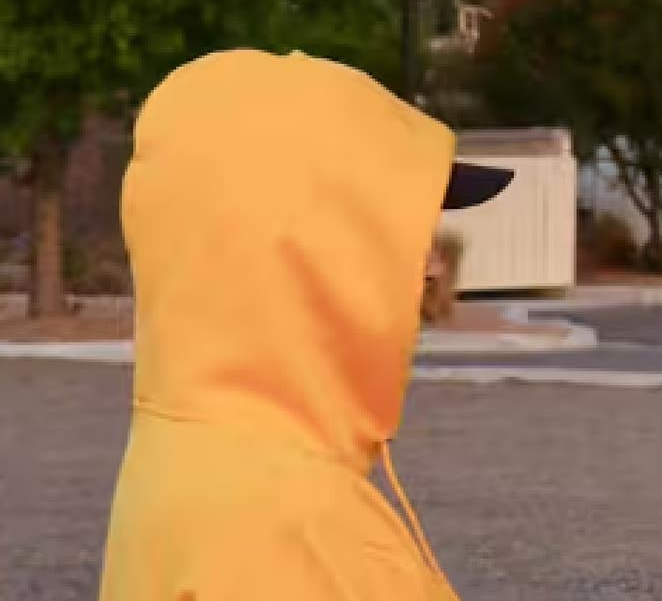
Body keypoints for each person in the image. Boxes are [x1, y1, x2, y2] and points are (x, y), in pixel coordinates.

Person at [98, 50, 515, 600]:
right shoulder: (305, 532)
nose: (433, 260)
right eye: (398, 222)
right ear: (313, 241)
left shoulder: (185, 444)